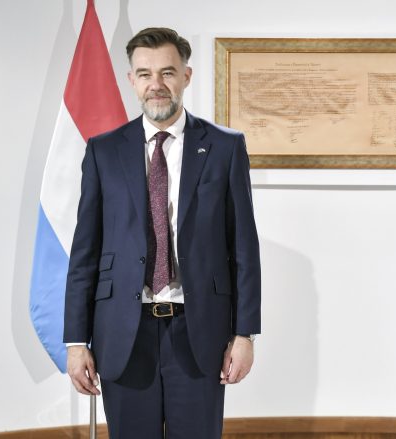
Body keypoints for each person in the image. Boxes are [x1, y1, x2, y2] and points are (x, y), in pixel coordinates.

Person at [63, 27, 261, 439]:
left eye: (167, 72)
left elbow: (243, 247)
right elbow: (85, 252)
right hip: (123, 333)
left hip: (198, 332)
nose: (156, 84)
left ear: (186, 76)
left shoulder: (225, 147)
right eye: (145, 74)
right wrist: (76, 341)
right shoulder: (103, 151)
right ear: (131, 80)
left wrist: (244, 334)